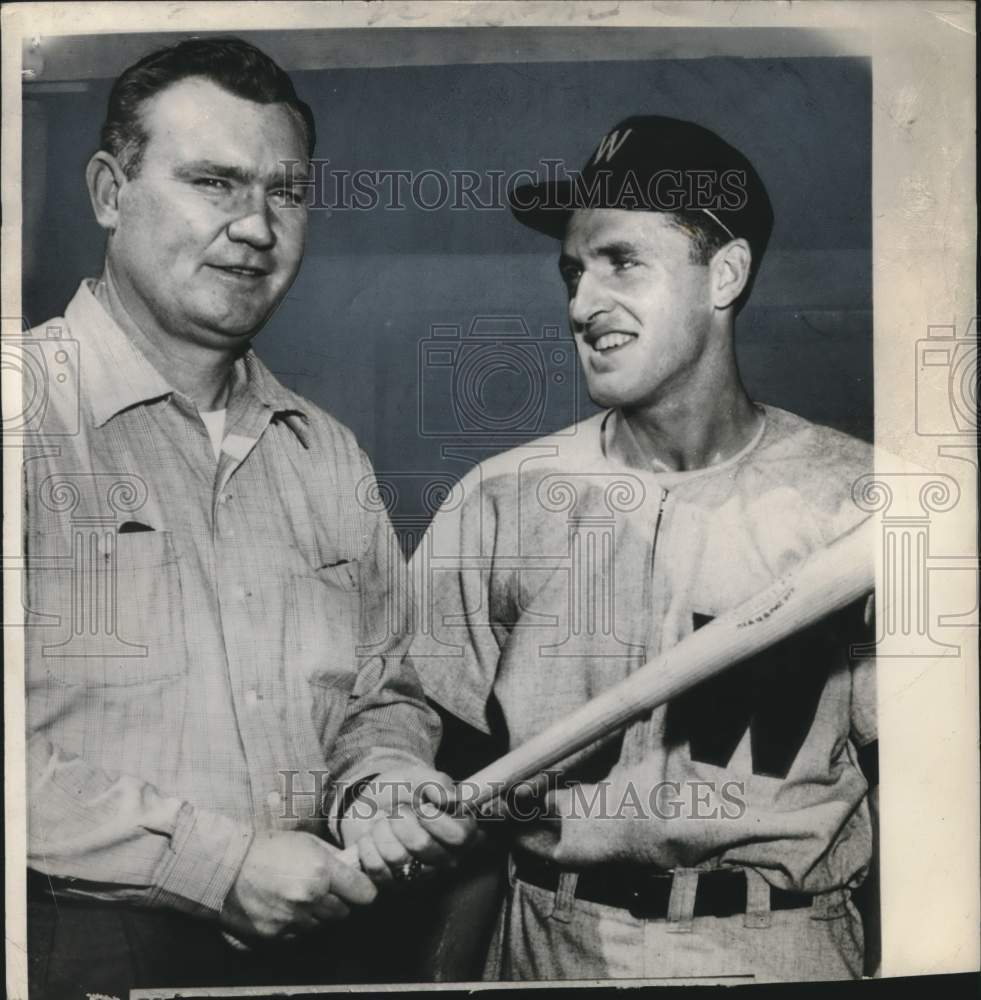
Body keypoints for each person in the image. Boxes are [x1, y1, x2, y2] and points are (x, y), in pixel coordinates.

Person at [23, 37, 475, 999]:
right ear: (110, 192)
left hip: (320, 941)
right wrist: (216, 865)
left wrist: (378, 786)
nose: (256, 228)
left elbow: (384, 692)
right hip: (66, 947)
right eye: (214, 183)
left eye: (285, 193)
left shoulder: (327, 454)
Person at [408, 115, 878, 982]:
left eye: (622, 261)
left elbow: (929, 800)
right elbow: (449, 770)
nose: (583, 304)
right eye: (572, 271)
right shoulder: (502, 497)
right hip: (549, 937)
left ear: (723, 275)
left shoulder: (859, 503)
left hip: (777, 945)